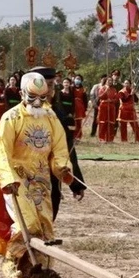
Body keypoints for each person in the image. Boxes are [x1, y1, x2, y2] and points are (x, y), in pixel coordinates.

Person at [0, 71, 72, 278]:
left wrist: (62, 167)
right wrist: (8, 179)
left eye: (42, 97)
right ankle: (11, 261)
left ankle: (42, 268)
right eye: (32, 97)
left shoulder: (51, 118)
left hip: (42, 181)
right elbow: (2, 150)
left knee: (45, 226)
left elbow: (59, 149)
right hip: (17, 180)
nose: (37, 102)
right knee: (27, 224)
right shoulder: (11, 117)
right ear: (22, 93)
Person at [35, 66, 86, 219]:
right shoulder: (18, 115)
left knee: (52, 207)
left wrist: (76, 183)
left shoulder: (59, 114)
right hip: (26, 174)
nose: (48, 89)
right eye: (44, 84)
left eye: (51, 85)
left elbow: (68, 148)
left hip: (51, 173)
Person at [96, 78, 119, 143]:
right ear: (105, 81)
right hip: (103, 106)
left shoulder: (114, 89)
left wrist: (111, 100)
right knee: (103, 122)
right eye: (108, 81)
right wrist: (105, 91)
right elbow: (100, 96)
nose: (110, 82)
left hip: (111, 107)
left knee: (111, 123)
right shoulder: (102, 88)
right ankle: (102, 138)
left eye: (111, 81)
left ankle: (110, 139)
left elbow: (116, 99)